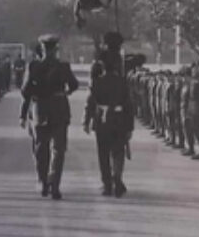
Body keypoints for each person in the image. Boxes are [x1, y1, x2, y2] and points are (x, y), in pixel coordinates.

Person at [20, 34, 79, 200]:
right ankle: (55, 183)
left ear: (42, 49)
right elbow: (74, 85)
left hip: (40, 110)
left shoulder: (33, 66)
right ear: (56, 49)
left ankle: (43, 181)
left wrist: (30, 101)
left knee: (40, 148)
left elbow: (25, 91)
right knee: (58, 149)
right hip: (59, 109)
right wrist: (64, 92)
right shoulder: (63, 67)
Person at [86, 32, 133, 197]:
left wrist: (87, 120)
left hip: (103, 119)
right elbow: (129, 105)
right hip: (119, 119)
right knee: (118, 151)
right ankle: (117, 179)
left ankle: (107, 184)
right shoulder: (122, 81)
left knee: (103, 153)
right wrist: (130, 126)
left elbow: (91, 101)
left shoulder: (97, 81)